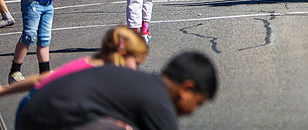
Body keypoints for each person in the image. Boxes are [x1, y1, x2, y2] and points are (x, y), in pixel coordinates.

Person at [16, 50, 217, 129]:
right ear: (186, 88)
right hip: (42, 121)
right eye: (198, 102)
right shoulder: (159, 100)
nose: (193, 111)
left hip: (32, 112)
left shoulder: (147, 84)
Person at [0, 25, 148, 98]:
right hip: (39, 116)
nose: (137, 68)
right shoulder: (92, 70)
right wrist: (5, 91)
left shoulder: (104, 71)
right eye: (137, 63)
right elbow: (42, 79)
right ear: (122, 53)